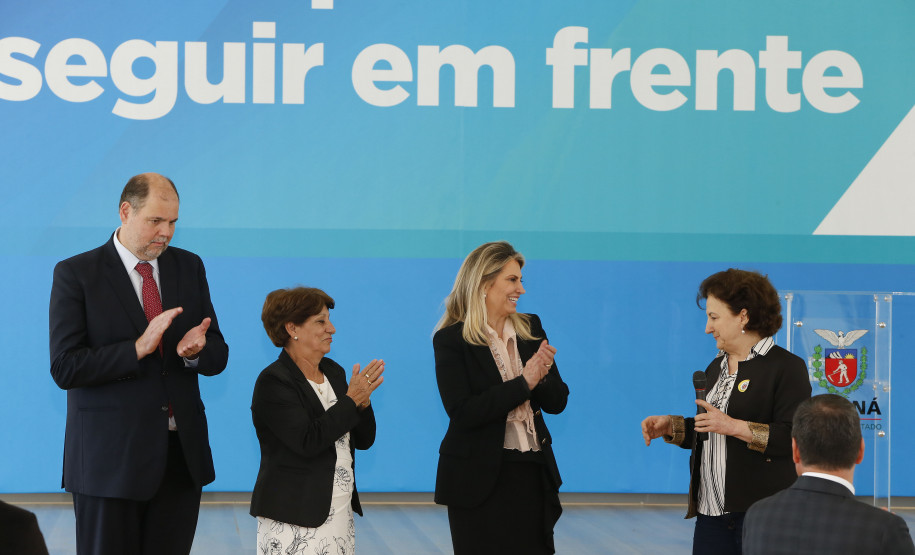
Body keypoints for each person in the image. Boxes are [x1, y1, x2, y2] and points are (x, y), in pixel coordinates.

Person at [49, 173, 229, 555]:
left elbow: (217, 351)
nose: (166, 232)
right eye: (156, 221)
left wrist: (195, 353)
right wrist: (137, 348)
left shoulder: (189, 266)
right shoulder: (77, 273)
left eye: (173, 222)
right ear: (125, 211)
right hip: (108, 465)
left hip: (180, 460)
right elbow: (65, 367)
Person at [640, 268, 811, 555]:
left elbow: (793, 437)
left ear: (743, 316)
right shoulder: (715, 367)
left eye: (714, 317)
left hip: (762, 515)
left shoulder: (786, 367)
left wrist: (732, 426)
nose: (708, 328)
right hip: (710, 514)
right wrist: (673, 427)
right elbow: (711, 428)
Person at [433, 241, 570, 555]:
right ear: (484, 283)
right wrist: (524, 383)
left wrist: (543, 377)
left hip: (533, 471)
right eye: (512, 280)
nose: (521, 289)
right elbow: (463, 411)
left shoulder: (531, 328)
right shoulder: (451, 339)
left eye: (521, 280)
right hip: (477, 480)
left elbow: (558, 403)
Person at [250, 287, 381, 554]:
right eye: (320, 321)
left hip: (339, 513)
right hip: (294, 516)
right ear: (292, 328)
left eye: (329, 320)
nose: (331, 329)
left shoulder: (334, 371)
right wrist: (351, 401)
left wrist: (363, 404)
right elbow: (308, 441)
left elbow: (364, 440)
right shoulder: (274, 381)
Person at [743, 394, 915, 554]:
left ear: (795, 450)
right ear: (860, 451)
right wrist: (883, 528)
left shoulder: (757, 516)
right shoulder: (885, 529)